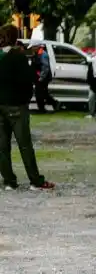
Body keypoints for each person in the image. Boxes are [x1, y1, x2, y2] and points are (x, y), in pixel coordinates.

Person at [0, 25, 54, 191]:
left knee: (2, 146)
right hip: (16, 105)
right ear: (16, 38)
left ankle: (9, 181)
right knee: (25, 145)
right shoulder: (18, 56)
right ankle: (35, 180)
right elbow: (30, 78)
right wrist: (27, 97)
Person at [32, 42, 58, 113]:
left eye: (33, 47)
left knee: (39, 93)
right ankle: (53, 103)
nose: (32, 48)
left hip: (42, 78)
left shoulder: (43, 54)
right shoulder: (37, 54)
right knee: (44, 93)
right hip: (39, 77)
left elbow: (45, 67)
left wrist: (41, 77)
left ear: (37, 47)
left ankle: (42, 109)